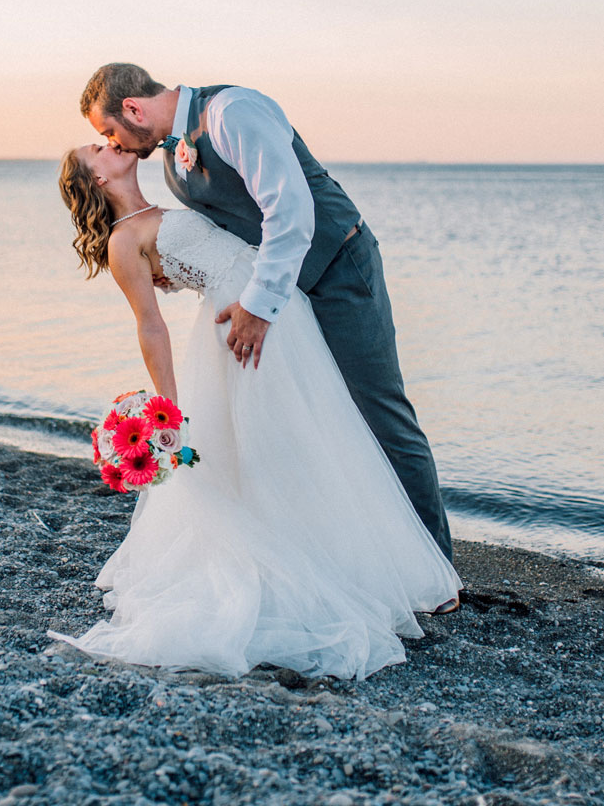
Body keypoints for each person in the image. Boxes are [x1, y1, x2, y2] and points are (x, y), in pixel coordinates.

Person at [49, 144, 461, 679]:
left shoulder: (162, 207)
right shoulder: (123, 240)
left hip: (275, 310)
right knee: (282, 444)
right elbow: (150, 325)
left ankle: (355, 565)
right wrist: (169, 410)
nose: (110, 144)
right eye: (97, 149)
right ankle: (302, 573)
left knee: (324, 435)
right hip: (239, 332)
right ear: (98, 179)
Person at [78, 63, 455, 568]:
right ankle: (357, 557)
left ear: (132, 109)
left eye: (109, 131)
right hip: (282, 296)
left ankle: (435, 567)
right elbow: (230, 233)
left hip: (336, 269)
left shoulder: (232, 113)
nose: (115, 143)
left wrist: (257, 305)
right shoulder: (172, 164)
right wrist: (178, 269)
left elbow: (289, 210)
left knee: (379, 411)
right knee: (316, 423)